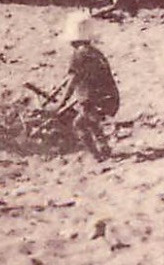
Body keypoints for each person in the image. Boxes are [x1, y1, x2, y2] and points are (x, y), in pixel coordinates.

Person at [41, 11, 120, 160]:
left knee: (79, 125)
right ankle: (104, 147)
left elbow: (73, 80)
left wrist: (61, 103)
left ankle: (97, 156)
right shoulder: (96, 53)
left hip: (92, 100)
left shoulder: (78, 55)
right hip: (109, 97)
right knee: (90, 121)